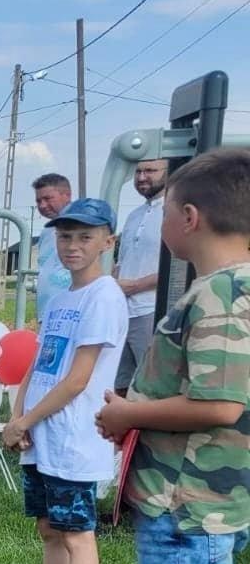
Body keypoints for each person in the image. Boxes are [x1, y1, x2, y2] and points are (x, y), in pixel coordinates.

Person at [84, 148, 250, 564]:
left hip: (190, 505)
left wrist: (128, 413)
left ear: (187, 217)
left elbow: (219, 404)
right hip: (194, 501)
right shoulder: (228, 287)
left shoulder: (219, 291)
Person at [0, 198, 126, 564]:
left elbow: (78, 379)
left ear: (107, 242)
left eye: (85, 237)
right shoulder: (61, 299)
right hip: (42, 434)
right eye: (65, 236)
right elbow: (40, 361)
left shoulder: (104, 296)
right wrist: (19, 411)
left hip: (73, 439)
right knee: (50, 530)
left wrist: (25, 422)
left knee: (77, 535)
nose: (73, 246)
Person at [114, 158, 168, 392]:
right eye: (138, 172)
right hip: (122, 311)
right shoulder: (134, 215)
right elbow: (123, 260)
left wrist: (135, 286)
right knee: (120, 384)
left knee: (149, 385)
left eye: (150, 171)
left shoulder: (172, 213)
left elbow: (178, 264)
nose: (142, 177)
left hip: (150, 310)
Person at [33, 172, 74, 319]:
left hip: (69, 311)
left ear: (67, 196)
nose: (42, 205)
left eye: (48, 198)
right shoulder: (46, 231)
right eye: (38, 201)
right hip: (47, 312)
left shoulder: (79, 228)